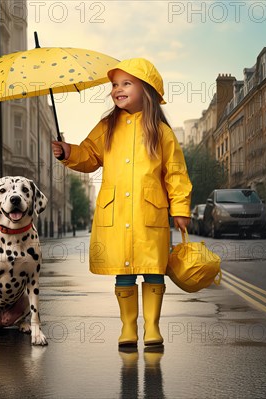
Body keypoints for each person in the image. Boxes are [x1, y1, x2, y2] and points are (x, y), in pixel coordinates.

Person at [52, 58, 192, 347]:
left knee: (153, 270)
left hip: (149, 214)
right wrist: (68, 152)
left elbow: (176, 173)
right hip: (115, 213)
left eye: (126, 83)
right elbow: (89, 156)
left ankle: (152, 328)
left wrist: (180, 209)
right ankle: (128, 328)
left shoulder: (161, 132)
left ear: (147, 89)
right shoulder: (107, 126)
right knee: (124, 272)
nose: (117, 89)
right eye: (115, 84)